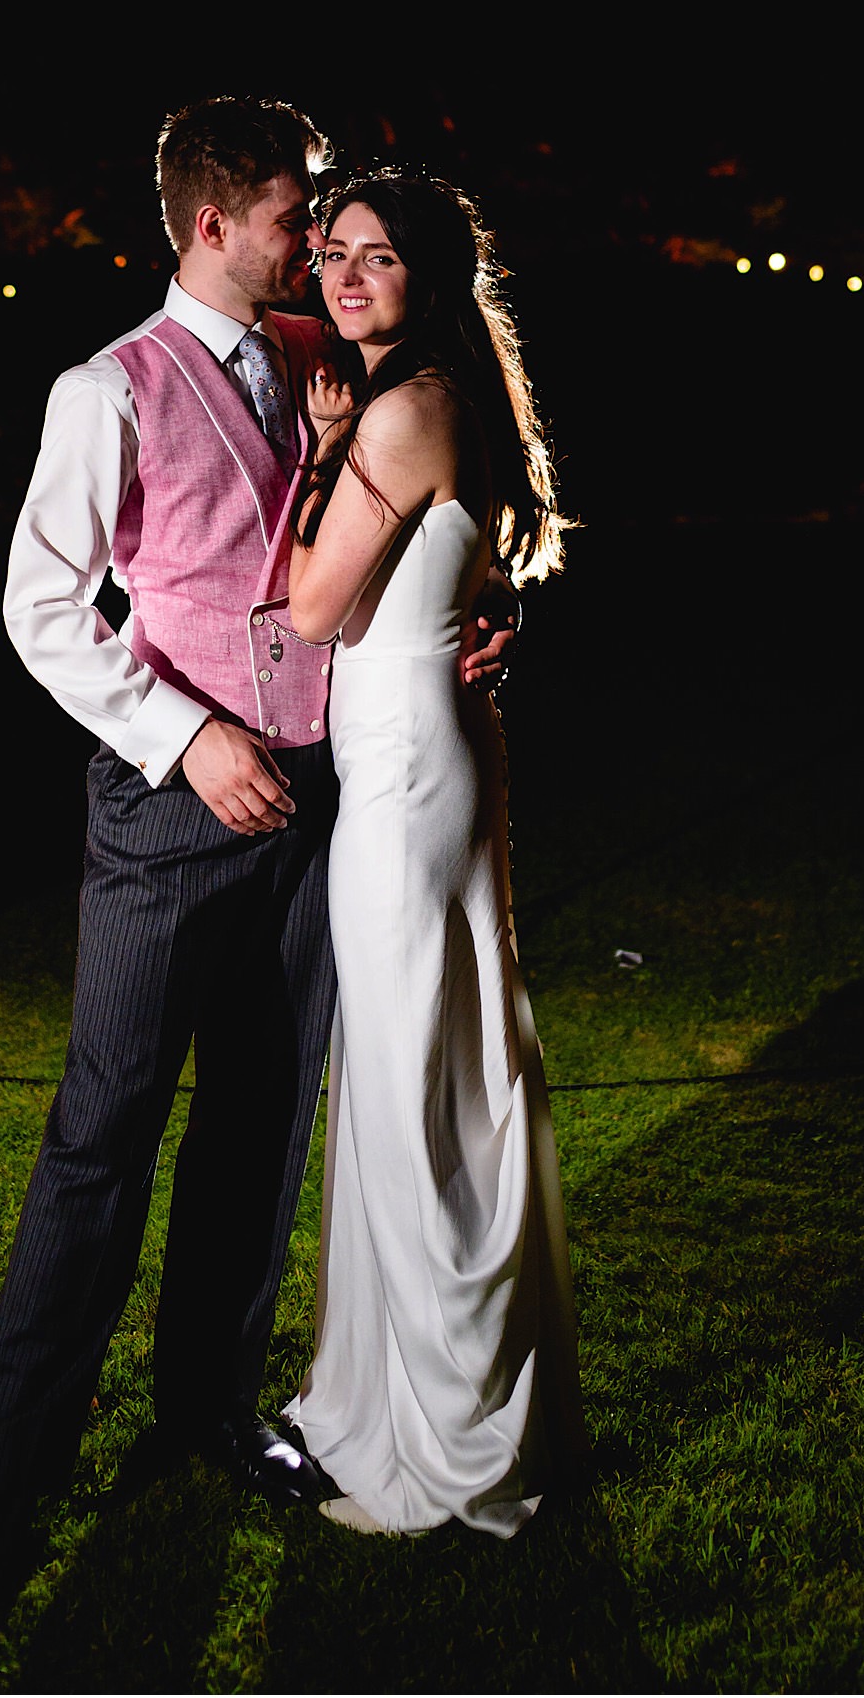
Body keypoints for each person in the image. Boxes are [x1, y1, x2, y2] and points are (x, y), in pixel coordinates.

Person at [0, 100, 516, 1654]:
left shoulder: (330, 351)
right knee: (103, 1135)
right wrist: (181, 739)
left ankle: (210, 1414)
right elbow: (42, 608)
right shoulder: (105, 389)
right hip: (169, 814)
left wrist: (487, 601)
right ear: (208, 226)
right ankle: (13, 1463)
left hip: (325, 805)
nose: (315, 241)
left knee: (260, 1118)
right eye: (295, 217)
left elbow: (441, 483)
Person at [282, 169, 585, 1538]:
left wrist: (317, 449)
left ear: (434, 276)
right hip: (433, 753)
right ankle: (412, 1387)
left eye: (378, 258)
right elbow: (478, 567)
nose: (346, 277)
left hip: (403, 773)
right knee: (440, 1066)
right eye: (332, 252)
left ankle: (448, 1434)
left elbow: (311, 605)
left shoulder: (400, 412)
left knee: (409, 1085)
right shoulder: (448, 392)